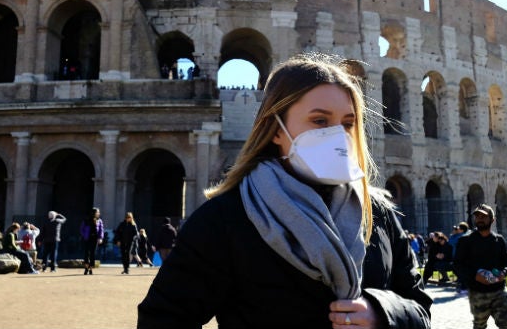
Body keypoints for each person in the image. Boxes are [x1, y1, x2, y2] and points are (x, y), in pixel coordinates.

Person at [138, 54, 433, 328]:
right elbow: (163, 317)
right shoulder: (226, 218)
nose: (337, 135)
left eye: (347, 123)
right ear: (276, 129)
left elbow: (419, 307)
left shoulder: (377, 212)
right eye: (319, 121)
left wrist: (381, 312)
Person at [453, 204, 507, 329]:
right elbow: (457, 266)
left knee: (505, 325)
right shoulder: (465, 240)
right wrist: (474, 276)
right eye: (477, 216)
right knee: (479, 325)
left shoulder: (499, 240)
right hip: (477, 292)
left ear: (492, 219)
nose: (479, 218)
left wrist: (504, 273)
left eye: (484, 216)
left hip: (499, 291)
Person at [79, 208, 104, 275]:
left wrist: (100, 238)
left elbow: (101, 230)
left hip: (95, 239)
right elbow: (82, 229)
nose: (99, 213)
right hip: (87, 238)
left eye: (99, 212)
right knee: (87, 253)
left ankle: (90, 268)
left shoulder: (99, 221)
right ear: (94, 213)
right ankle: (86, 268)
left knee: (92, 253)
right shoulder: (86, 220)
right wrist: (84, 236)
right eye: (97, 212)